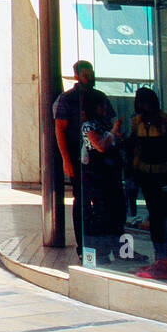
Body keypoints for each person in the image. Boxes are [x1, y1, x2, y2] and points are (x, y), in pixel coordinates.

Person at [54, 60, 116, 258]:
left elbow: (110, 122)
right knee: (82, 200)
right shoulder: (67, 99)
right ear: (77, 75)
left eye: (91, 73)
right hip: (79, 156)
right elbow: (60, 130)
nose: (90, 77)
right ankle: (84, 247)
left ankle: (104, 246)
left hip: (103, 157)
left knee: (103, 201)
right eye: (86, 74)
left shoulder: (100, 97)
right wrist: (66, 159)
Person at [129, 86, 167, 262]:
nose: (145, 106)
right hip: (146, 172)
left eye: (148, 102)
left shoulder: (166, 120)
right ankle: (161, 255)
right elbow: (134, 147)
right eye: (142, 103)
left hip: (165, 171)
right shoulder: (136, 121)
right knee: (155, 215)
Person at [81, 88, 126, 264]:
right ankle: (101, 253)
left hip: (111, 173)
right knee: (102, 212)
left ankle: (121, 250)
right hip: (97, 175)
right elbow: (100, 146)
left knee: (117, 212)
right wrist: (113, 132)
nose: (105, 109)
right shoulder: (89, 126)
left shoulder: (104, 124)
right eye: (101, 106)